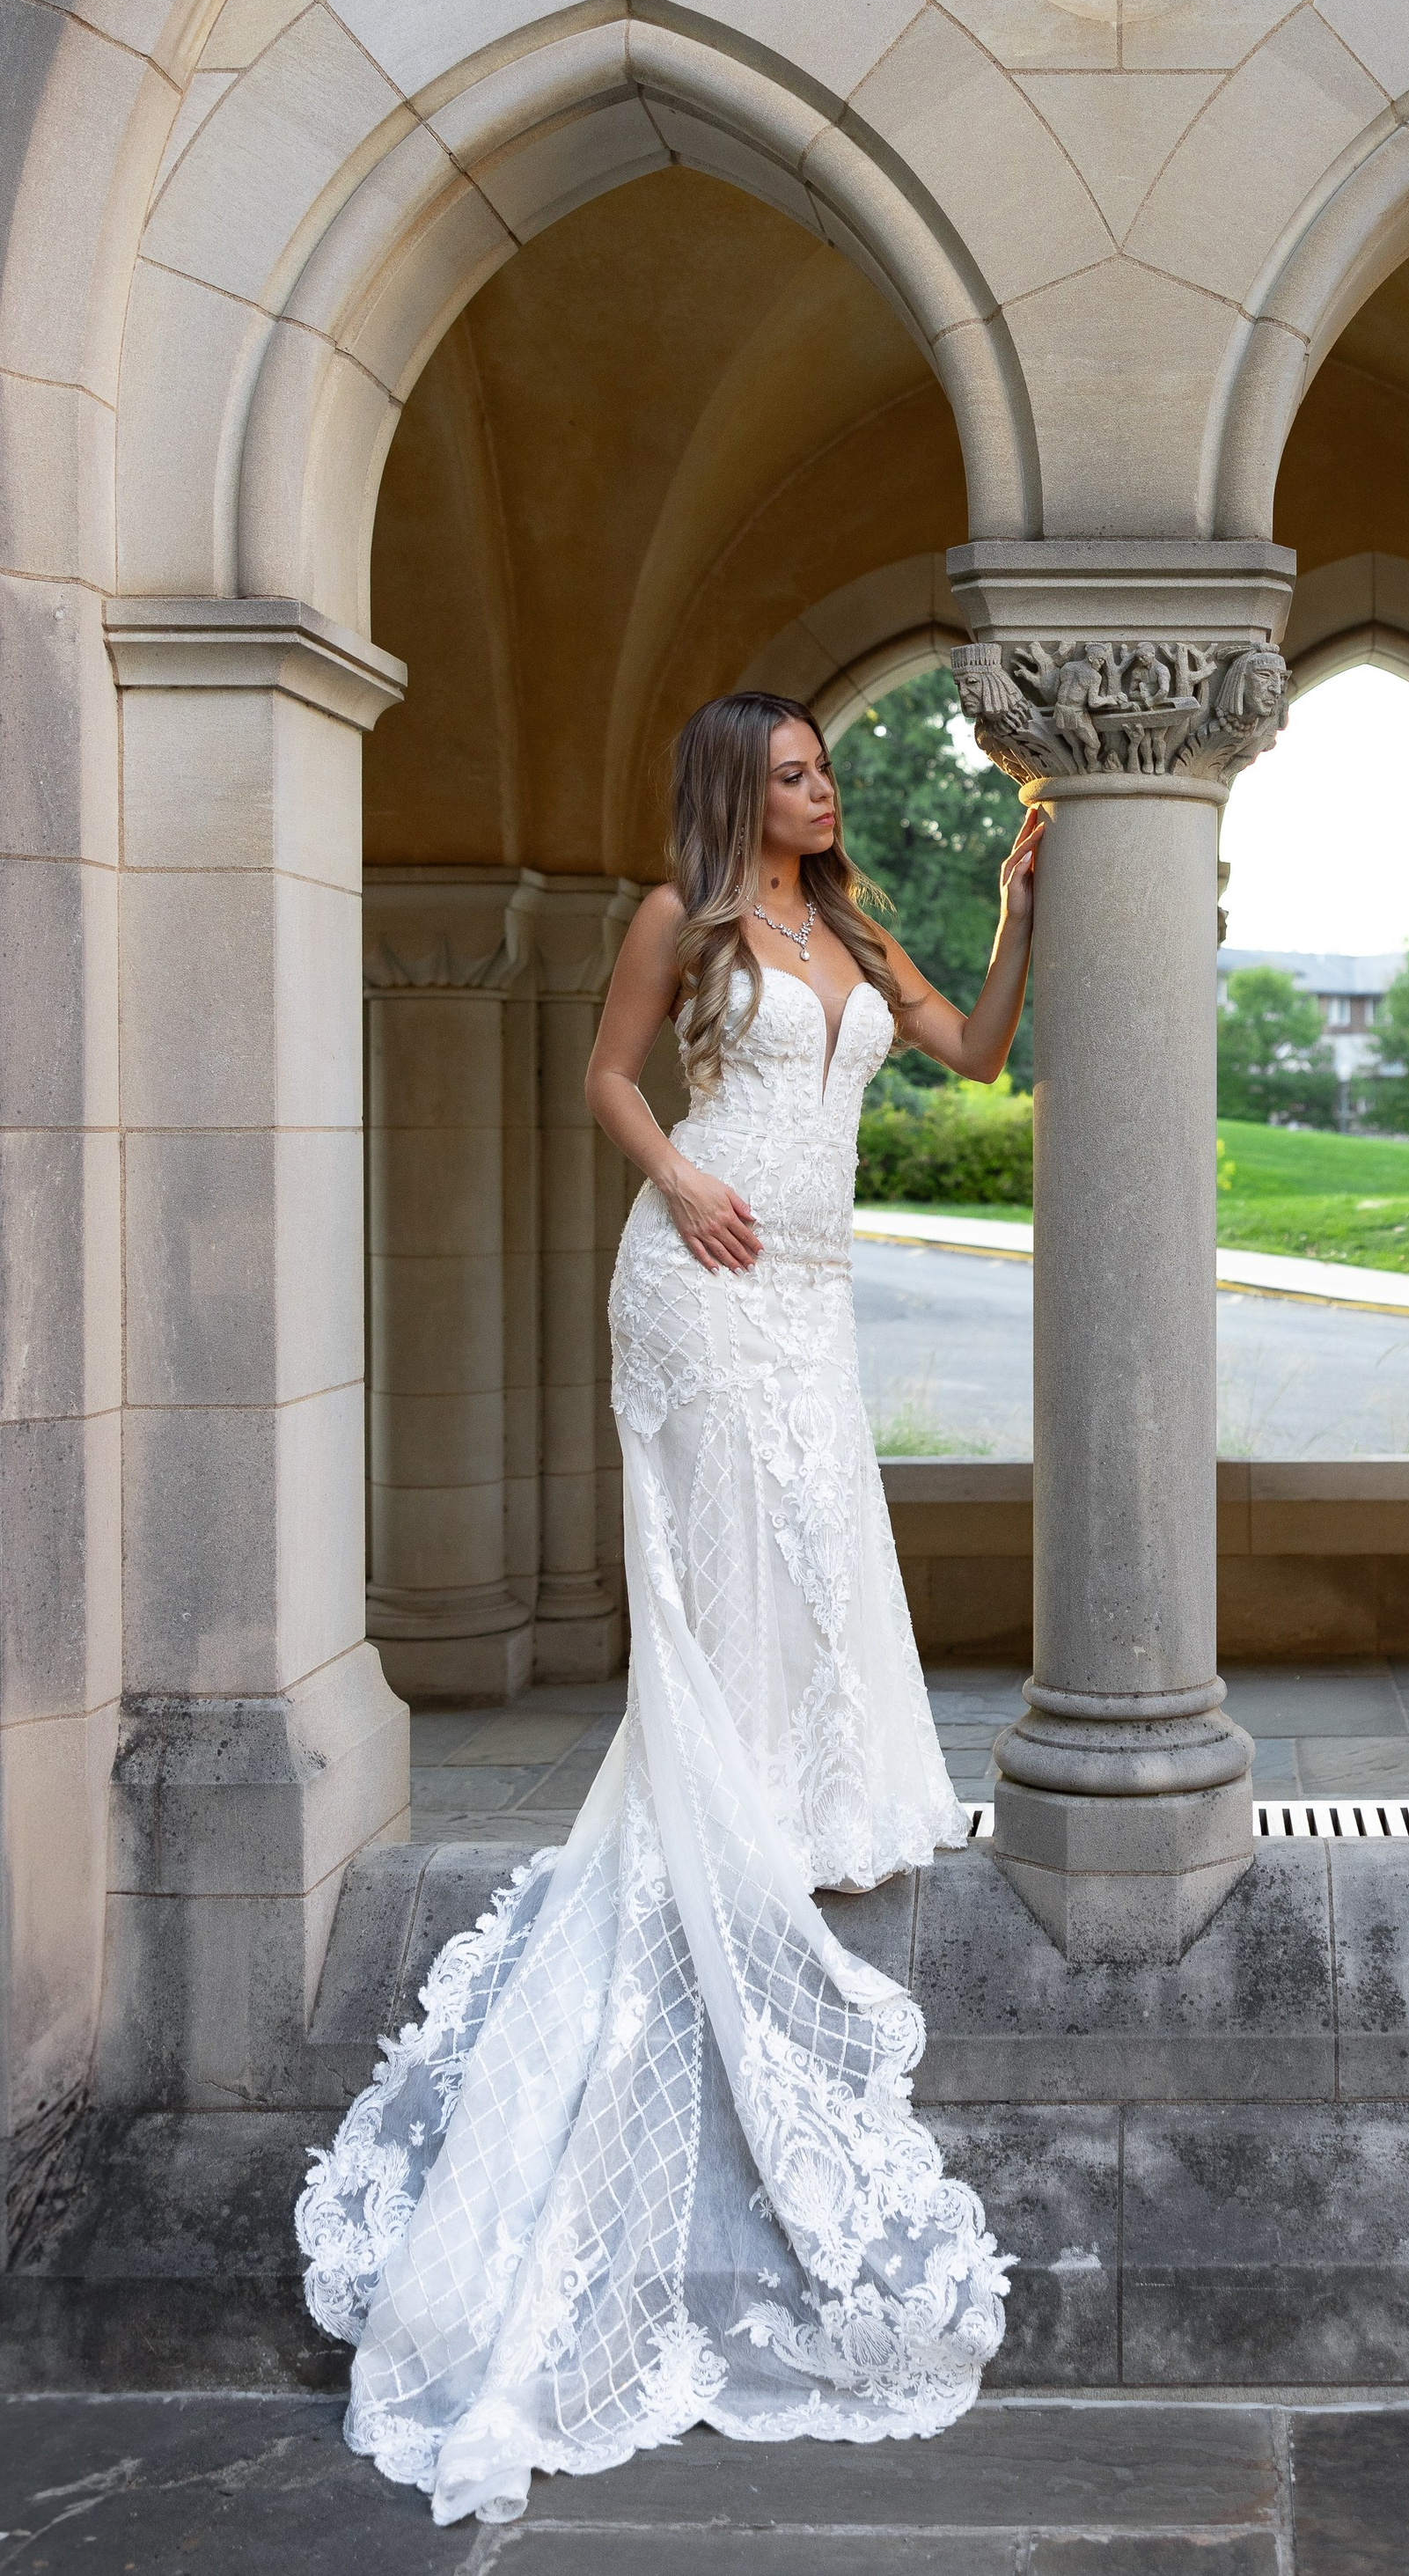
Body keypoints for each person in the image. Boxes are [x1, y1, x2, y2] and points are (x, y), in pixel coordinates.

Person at [299, 692, 1045, 2525]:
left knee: (813, 1541)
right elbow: (605, 1079)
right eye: (793, 771)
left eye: (822, 769)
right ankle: (723, 1813)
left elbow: (974, 1054)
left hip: (811, 1296)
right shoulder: (675, 918)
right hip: (701, 1277)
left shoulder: (854, 927)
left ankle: (794, 1796)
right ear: (737, 791)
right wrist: (687, 1174)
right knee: (732, 1563)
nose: (822, 787)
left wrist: (1020, 905)